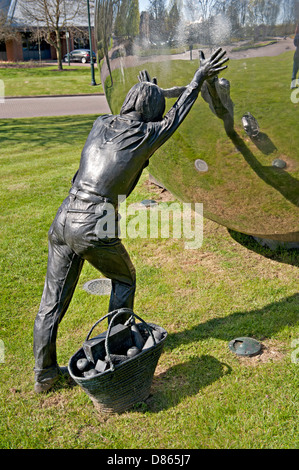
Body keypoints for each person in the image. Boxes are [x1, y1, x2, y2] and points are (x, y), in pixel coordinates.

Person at [33, 48, 229, 393]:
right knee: (124, 279)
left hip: (64, 216)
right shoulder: (146, 137)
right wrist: (198, 77)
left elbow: (140, 115)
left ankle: (45, 374)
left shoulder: (101, 123)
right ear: (152, 114)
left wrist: (146, 93)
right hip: (94, 222)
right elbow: (177, 114)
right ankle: (121, 351)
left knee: (52, 300)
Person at [291, 25, 299, 89]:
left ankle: (292, 85)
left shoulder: (296, 36)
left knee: (294, 70)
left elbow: (295, 44)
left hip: (296, 55)